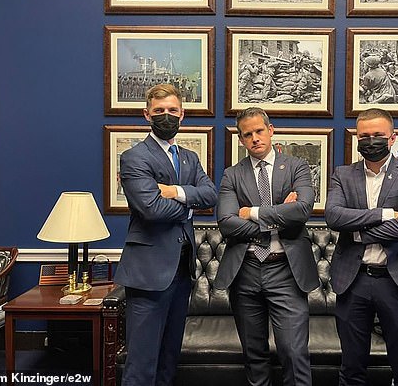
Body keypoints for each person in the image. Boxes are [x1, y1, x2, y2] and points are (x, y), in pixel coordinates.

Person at [114, 83, 218, 386]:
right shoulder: (134, 157)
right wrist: (189, 206)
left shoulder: (189, 157)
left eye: (173, 110)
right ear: (147, 114)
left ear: (183, 114)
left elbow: (210, 194)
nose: (166, 116)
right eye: (159, 111)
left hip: (182, 271)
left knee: (168, 359)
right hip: (148, 274)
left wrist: (174, 192)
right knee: (141, 365)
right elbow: (150, 209)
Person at [324, 108, 398, 386]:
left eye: (378, 135)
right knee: (351, 370)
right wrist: (384, 214)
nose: (371, 141)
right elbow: (334, 216)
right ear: (356, 139)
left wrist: (357, 231)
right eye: (364, 136)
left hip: (397, 282)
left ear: (392, 138)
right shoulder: (342, 174)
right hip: (353, 280)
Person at [214, 107, 319, 386]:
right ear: (241, 140)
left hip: (286, 270)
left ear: (270, 130)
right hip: (245, 270)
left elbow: (302, 210)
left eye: (259, 131)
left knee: (294, 353)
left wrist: (253, 212)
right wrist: (278, 214)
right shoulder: (231, 175)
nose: (255, 138)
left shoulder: (296, 167)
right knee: (254, 356)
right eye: (247, 135)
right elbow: (226, 223)